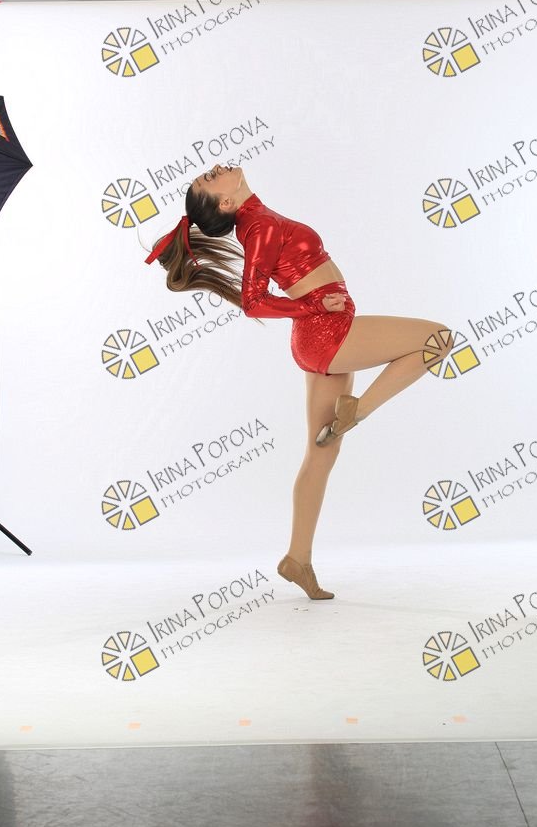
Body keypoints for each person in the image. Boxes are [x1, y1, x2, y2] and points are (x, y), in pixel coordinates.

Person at [146, 164, 454, 600]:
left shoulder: (258, 219)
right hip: (327, 333)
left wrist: (313, 310)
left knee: (321, 453)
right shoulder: (259, 226)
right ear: (226, 202)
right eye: (208, 180)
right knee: (438, 339)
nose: (213, 169)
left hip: (321, 337)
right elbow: (253, 302)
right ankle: (357, 412)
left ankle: (297, 560)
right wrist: (312, 309)